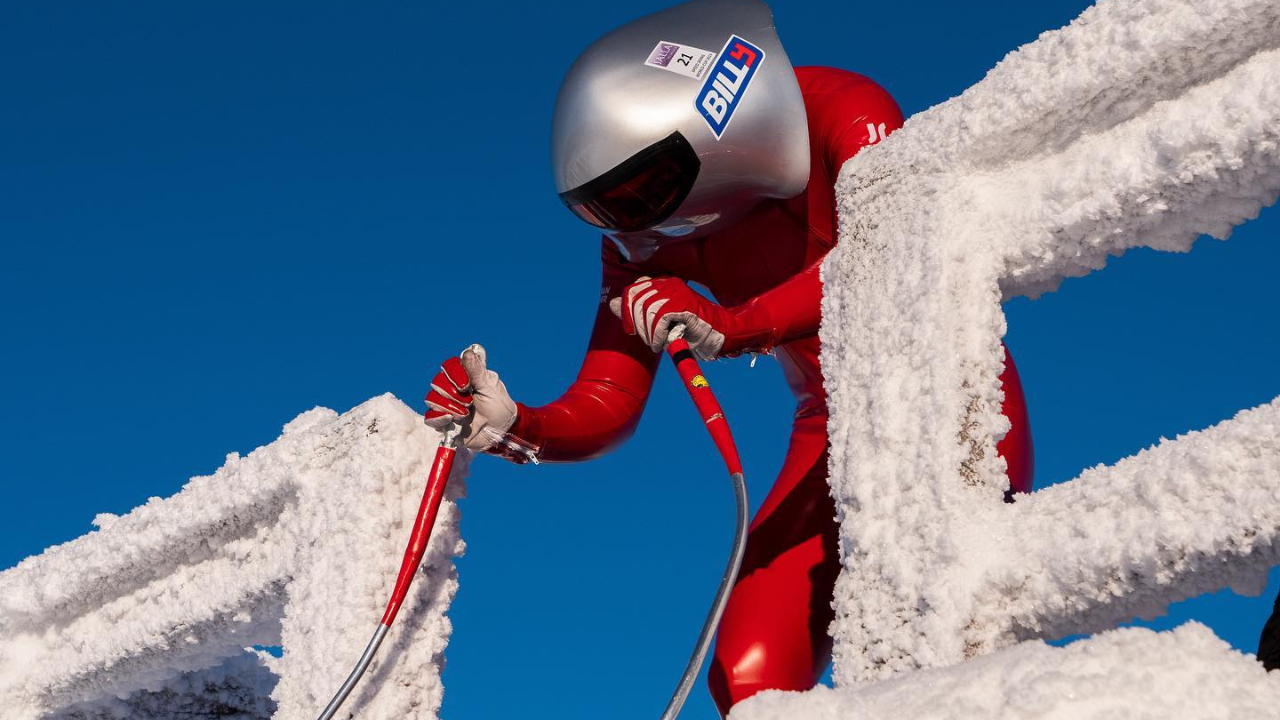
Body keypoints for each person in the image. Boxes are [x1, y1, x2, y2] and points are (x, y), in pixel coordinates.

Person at [422, 0, 1034, 715]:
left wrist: (737, 323)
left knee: (947, 628)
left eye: (644, 187)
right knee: (748, 670)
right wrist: (514, 423)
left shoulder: (847, 110)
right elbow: (609, 397)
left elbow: (891, 256)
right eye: (606, 209)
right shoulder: (642, 240)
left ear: (714, 119)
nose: (636, 219)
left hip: (948, 391)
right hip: (826, 428)